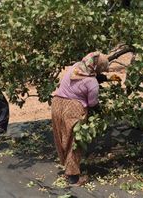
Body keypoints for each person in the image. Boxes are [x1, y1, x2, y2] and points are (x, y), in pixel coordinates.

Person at [51, 51, 109, 186]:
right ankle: (73, 177)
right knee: (74, 142)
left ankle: (67, 168)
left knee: (63, 138)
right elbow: (93, 103)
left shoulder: (76, 67)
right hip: (73, 109)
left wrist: (100, 78)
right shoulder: (92, 82)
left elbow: (80, 82)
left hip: (57, 105)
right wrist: (100, 112)